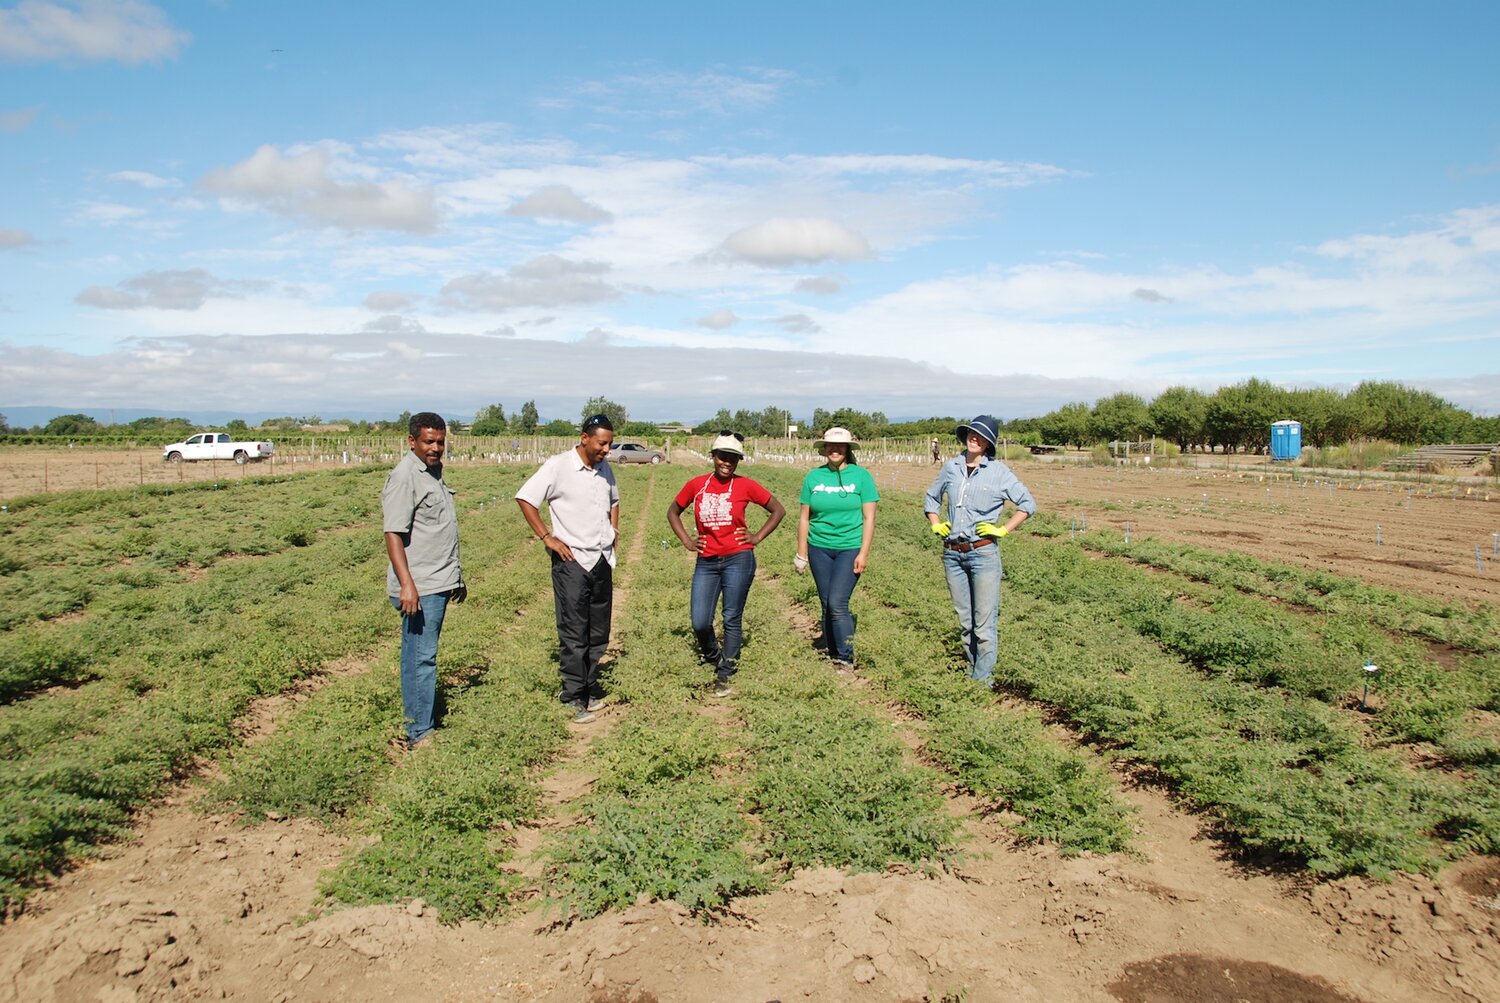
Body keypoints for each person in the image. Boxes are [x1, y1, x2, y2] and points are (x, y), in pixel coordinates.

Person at [516, 413, 621, 723]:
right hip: (571, 560)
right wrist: (547, 537)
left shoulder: (605, 469)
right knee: (574, 630)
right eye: (602, 444)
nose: (607, 450)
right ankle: (572, 696)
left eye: (610, 444)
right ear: (584, 437)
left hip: (601, 559)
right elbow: (525, 498)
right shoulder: (558, 466)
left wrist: (614, 533)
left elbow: (614, 501)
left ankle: (589, 686)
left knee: (599, 630)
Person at [666, 431, 786, 697]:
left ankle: (726, 672)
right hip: (707, 561)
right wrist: (687, 541)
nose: (727, 462)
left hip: (738, 559)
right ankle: (713, 656)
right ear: (713, 456)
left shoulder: (746, 485)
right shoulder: (696, 485)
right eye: (723, 457)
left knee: (731, 617)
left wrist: (756, 537)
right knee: (699, 620)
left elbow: (778, 510)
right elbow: (673, 511)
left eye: (733, 458)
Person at [924, 414, 1035, 686]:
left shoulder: (999, 473)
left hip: (983, 554)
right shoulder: (951, 467)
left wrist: (1002, 530)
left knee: (984, 625)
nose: (974, 438)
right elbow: (931, 497)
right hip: (952, 553)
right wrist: (935, 523)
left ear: (988, 444)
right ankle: (973, 675)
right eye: (971, 433)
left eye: (981, 435)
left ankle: (981, 684)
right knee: (966, 623)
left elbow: (1028, 504)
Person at [382, 411, 466, 749]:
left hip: (438, 580)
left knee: (417, 655)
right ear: (412, 441)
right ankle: (419, 732)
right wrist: (407, 584)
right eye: (429, 441)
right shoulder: (405, 477)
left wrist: (455, 577)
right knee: (422, 657)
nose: (436, 448)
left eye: (440, 441)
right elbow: (393, 533)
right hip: (420, 585)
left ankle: (417, 720)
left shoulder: (432, 472)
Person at [794, 427, 879, 669]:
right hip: (819, 547)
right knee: (825, 602)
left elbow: (869, 518)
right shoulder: (813, 477)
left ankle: (845, 658)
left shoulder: (861, 477)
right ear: (824, 449)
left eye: (840, 446)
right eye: (830, 446)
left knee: (837, 603)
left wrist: (863, 553)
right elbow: (804, 517)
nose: (835, 449)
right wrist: (801, 553)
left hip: (849, 547)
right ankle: (831, 650)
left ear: (848, 450)